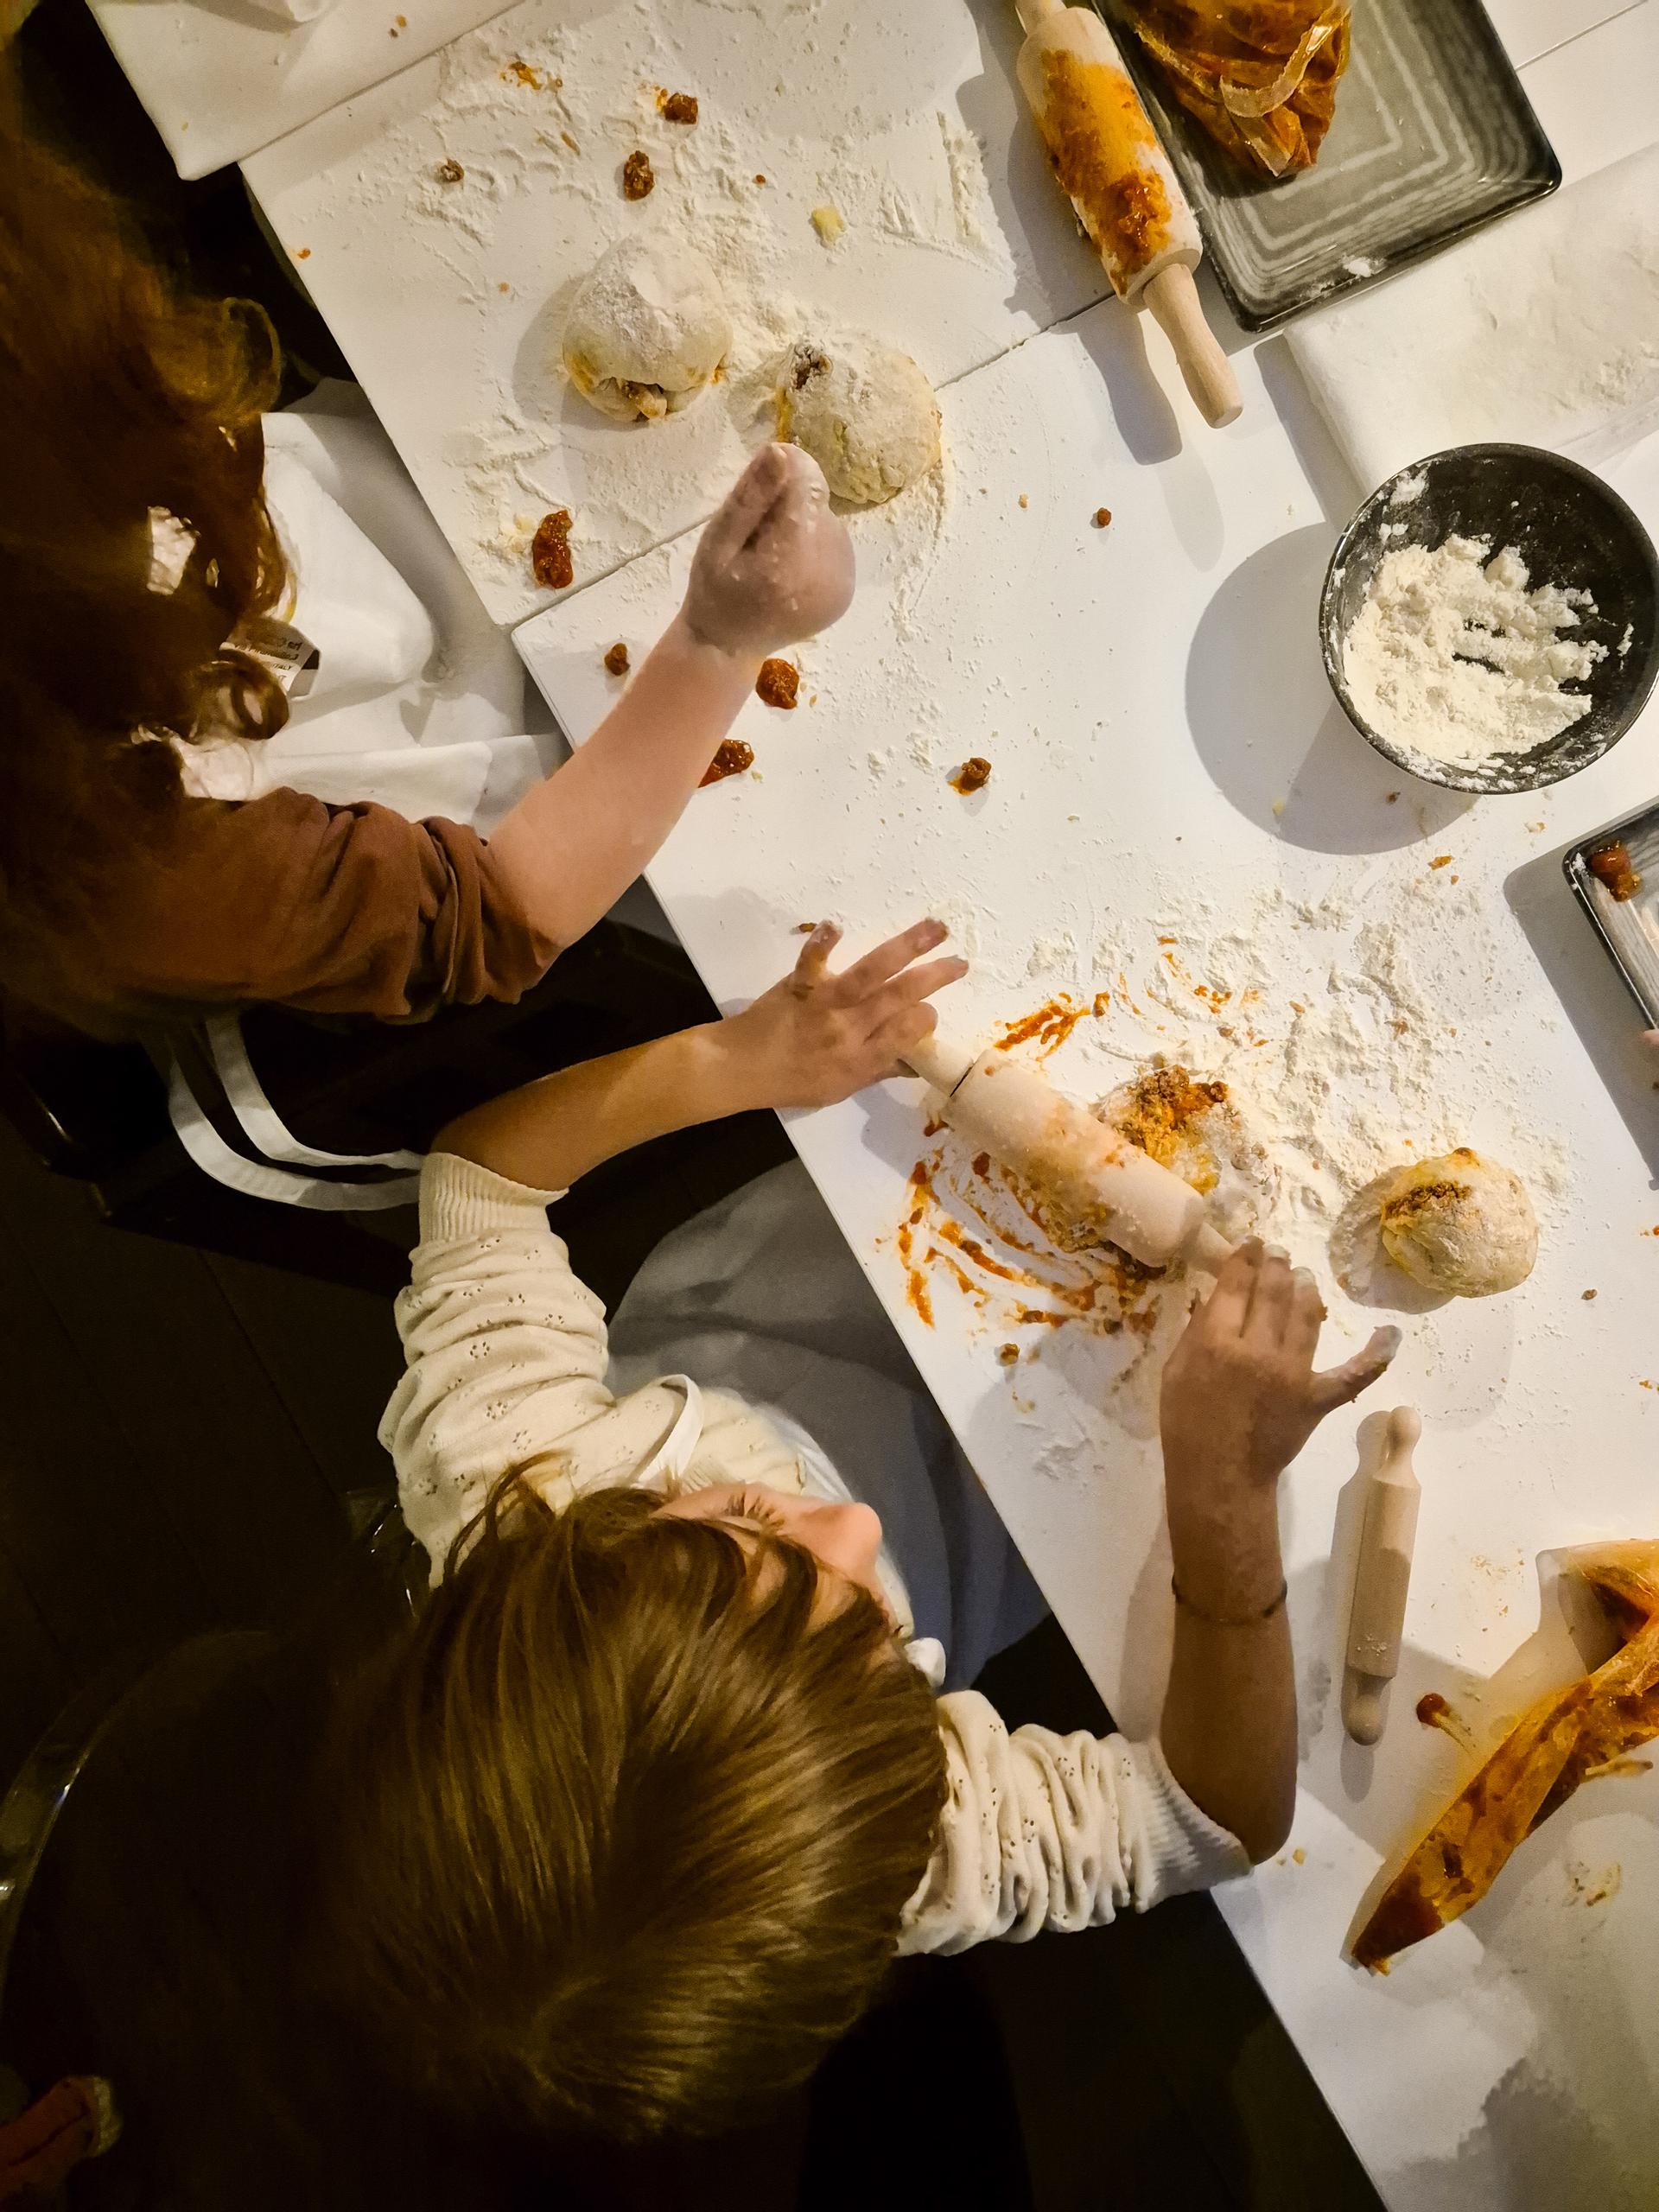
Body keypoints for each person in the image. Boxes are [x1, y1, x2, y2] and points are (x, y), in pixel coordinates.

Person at [312, 916, 1401, 2142]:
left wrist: (737, 1063)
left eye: (738, 1519)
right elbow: (1217, 1819)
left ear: (576, 1542)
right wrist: (1223, 1499)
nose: (854, 1524)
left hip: (824, 1260)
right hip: (1043, 1494)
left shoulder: (510, 1470)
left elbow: (478, 1182)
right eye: (881, 1647)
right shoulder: (881, 1840)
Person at [0, 99, 852, 1039]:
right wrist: (716, 646)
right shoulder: (118, 876)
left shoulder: (50, 414)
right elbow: (492, 915)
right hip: (555, 787)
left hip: (396, 494)